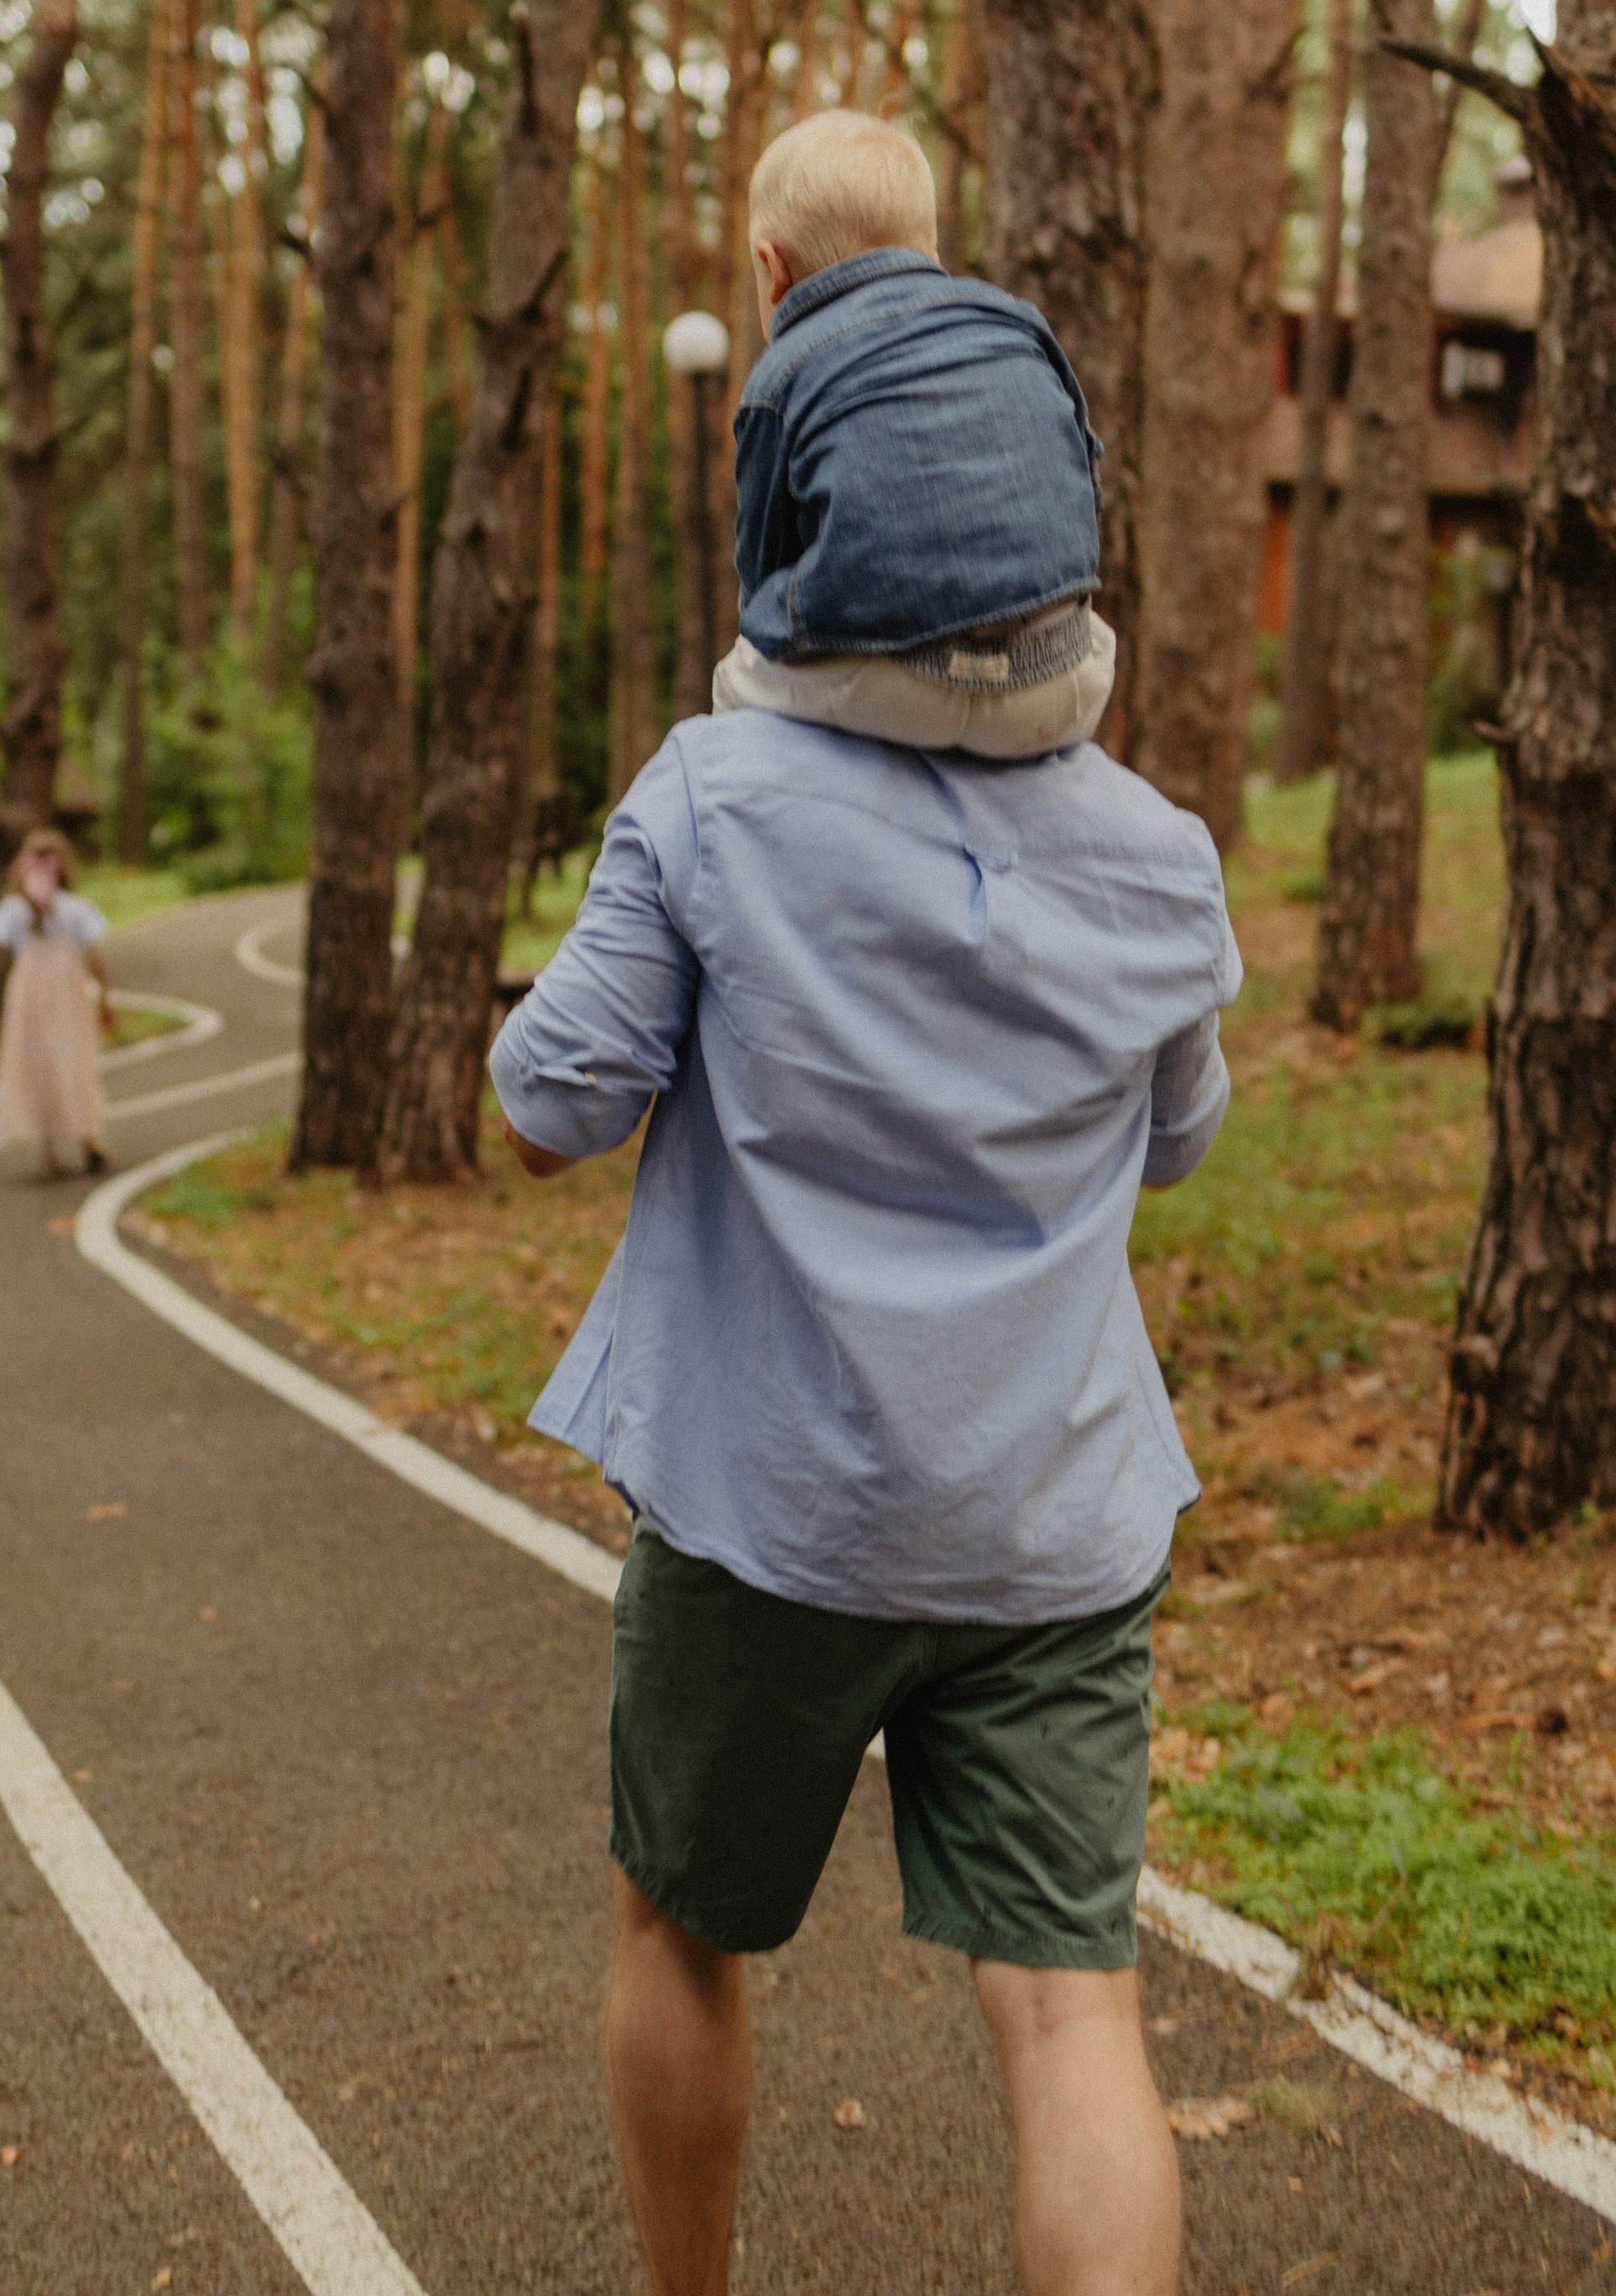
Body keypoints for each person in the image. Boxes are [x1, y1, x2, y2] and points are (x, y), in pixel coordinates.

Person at [488, 169, 1239, 2296]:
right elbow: (1173, 1138)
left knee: (678, 1927)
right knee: (1072, 2010)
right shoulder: (1154, 855)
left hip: (771, 1512)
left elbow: (549, 1103)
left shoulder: (710, 799)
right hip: (1051, 1518)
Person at [718, 109, 1118, 758]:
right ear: (929, 255)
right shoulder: (1018, 325)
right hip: (1060, 687)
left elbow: (762, 568)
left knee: (738, 675)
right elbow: (1084, 477)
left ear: (773, 267)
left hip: (892, 694)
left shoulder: (782, 375)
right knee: (1093, 634)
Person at [0, 828, 117, 1180]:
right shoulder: (75, 908)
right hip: (67, 993)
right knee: (73, 1058)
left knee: (36, 1062)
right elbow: (94, 957)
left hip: (28, 994)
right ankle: (88, 1137)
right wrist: (104, 995)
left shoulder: (14, 909)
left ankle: (50, 1149)